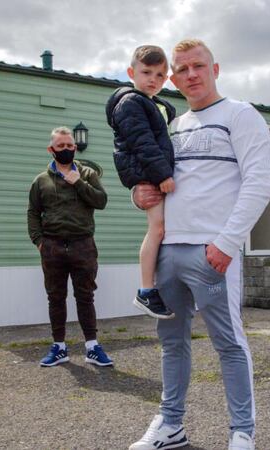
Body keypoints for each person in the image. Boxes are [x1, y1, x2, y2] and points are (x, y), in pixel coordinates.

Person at [128, 39, 270, 450]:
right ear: (172, 77)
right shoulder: (169, 126)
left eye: (199, 66)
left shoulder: (241, 115)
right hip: (168, 251)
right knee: (172, 343)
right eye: (182, 69)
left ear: (215, 69)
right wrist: (137, 196)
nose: (191, 75)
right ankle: (170, 426)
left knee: (228, 343)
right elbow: (151, 180)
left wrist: (227, 243)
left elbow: (259, 183)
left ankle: (242, 433)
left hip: (212, 252)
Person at [26, 126, 112, 368]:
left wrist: (78, 184)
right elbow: (33, 212)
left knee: (85, 296)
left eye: (69, 145)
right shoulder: (41, 180)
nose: (66, 149)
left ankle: (92, 347)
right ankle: (59, 348)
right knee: (56, 297)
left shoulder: (87, 174)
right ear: (51, 149)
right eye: (61, 146)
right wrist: (39, 241)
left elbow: (101, 201)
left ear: (75, 147)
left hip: (83, 244)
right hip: (52, 246)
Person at [105, 44, 176, 320]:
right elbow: (143, 143)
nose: (153, 80)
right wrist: (163, 175)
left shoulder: (160, 106)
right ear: (131, 72)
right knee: (157, 229)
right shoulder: (130, 103)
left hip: (156, 173)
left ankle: (165, 285)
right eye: (146, 72)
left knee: (165, 230)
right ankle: (146, 290)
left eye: (160, 75)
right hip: (149, 175)